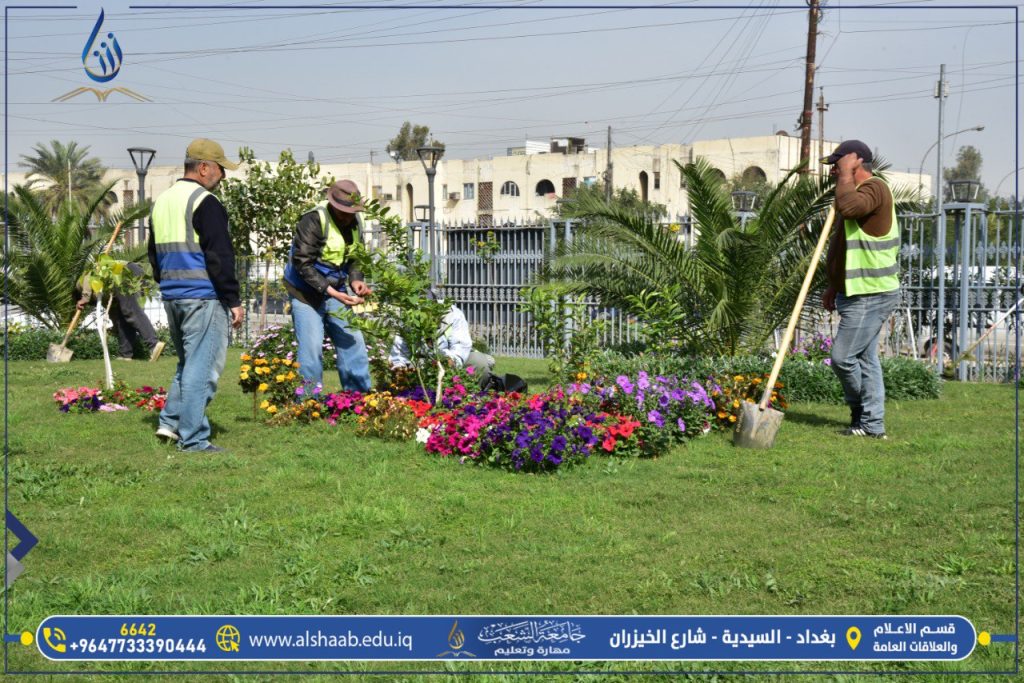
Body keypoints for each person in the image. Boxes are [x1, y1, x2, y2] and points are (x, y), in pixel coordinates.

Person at [148, 138, 244, 453]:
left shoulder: (162, 201)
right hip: (203, 296)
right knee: (203, 369)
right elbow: (219, 257)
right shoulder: (206, 202)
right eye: (220, 169)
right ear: (203, 168)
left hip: (173, 296)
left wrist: (168, 286)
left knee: (188, 363)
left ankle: (170, 423)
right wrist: (233, 300)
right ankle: (193, 439)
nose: (223, 176)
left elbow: (154, 254)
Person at [820, 139, 900, 440]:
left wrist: (845, 175)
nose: (833, 171)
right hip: (855, 290)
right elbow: (844, 245)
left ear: (856, 161)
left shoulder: (874, 189)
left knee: (842, 358)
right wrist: (833, 285)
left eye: (837, 165)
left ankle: (862, 415)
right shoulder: (852, 193)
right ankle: (871, 424)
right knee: (865, 360)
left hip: (872, 292)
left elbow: (851, 208)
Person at [283, 179, 373, 393]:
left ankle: (358, 399)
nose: (347, 215)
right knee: (312, 348)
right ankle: (308, 403)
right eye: (343, 211)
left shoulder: (355, 222)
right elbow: (302, 263)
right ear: (333, 204)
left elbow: (355, 259)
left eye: (351, 211)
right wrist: (334, 293)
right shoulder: (313, 219)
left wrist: (356, 280)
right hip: (305, 292)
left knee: (354, 341)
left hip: (336, 290)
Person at [388, 292, 496, 381]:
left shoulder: (453, 314)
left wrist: (449, 361)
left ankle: (474, 395)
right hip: (420, 363)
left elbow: (461, 347)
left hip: (452, 359)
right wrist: (399, 368)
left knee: (479, 361)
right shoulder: (409, 318)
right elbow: (399, 352)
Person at [76, 262, 165, 362]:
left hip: (124, 272)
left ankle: (154, 344)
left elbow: (89, 276)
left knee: (132, 311)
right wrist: (115, 327)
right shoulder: (103, 295)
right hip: (132, 273)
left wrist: (85, 297)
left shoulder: (80, 283)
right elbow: (114, 314)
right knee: (122, 316)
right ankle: (125, 354)